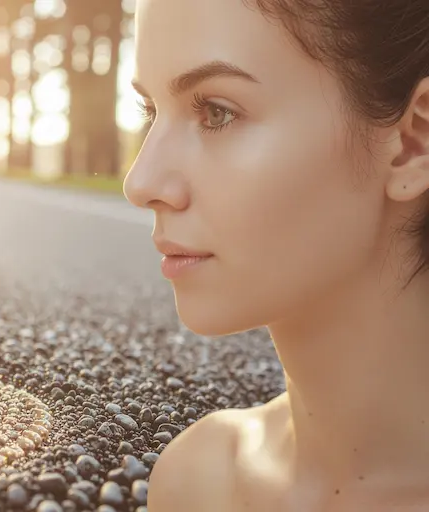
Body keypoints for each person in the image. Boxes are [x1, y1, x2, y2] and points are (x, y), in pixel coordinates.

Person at [123, 0, 429, 510]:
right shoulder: (196, 480)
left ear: (412, 143)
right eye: (151, 111)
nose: (141, 182)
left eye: (216, 112)